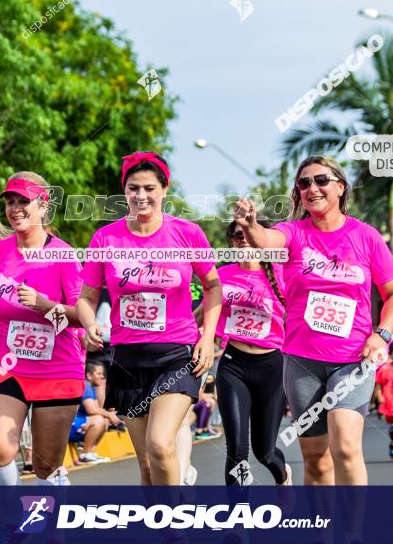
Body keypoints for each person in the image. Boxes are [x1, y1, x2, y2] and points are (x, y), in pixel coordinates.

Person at [235, 155, 393, 485]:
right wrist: (250, 226)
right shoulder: (294, 233)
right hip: (302, 362)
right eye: (304, 183)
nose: (312, 187)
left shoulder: (366, 237)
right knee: (315, 459)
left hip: (352, 359)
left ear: (341, 187)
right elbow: (266, 240)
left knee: (345, 446)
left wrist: (381, 334)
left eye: (321, 180)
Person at [76, 151, 222, 486]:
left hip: (175, 355)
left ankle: (174, 528)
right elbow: (86, 298)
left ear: (164, 190)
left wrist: (207, 337)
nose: (141, 195)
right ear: (124, 191)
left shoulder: (187, 234)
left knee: (159, 444)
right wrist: (89, 323)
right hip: (127, 359)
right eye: (133, 188)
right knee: (145, 466)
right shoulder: (105, 239)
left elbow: (213, 287)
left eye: (149, 188)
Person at [0, 171, 85, 488]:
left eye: (24, 201)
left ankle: (49, 531)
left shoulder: (63, 255)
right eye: (10, 201)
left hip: (57, 368)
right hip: (8, 366)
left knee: (45, 465)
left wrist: (43, 304)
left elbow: (80, 314)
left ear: (43, 205)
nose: (15, 208)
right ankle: (12, 522)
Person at [199, 219, 291, 485]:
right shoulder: (221, 275)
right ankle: (237, 519)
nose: (243, 240)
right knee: (237, 450)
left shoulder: (282, 273)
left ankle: (283, 477)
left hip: (272, 366)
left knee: (265, 453)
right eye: (237, 236)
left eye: (249, 234)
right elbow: (204, 312)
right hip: (233, 364)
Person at [69, 361, 120, 463]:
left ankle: (89, 452)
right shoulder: (85, 386)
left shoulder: (91, 387)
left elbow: (97, 409)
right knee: (98, 419)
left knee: (104, 420)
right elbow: (91, 410)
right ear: (89, 375)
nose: (102, 377)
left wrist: (109, 415)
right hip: (71, 426)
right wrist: (110, 414)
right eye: (99, 374)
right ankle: (85, 454)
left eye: (103, 374)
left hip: (80, 423)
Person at [193, 374, 219, 440]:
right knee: (206, 404)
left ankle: (205, 428)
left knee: (209, 402)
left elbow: (216, 396)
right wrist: (211, 396)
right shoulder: (201, 380)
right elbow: (199, 396)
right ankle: (200, 430)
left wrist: (213, 397)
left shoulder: (212, 380)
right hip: (193, 403)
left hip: (197, 402)